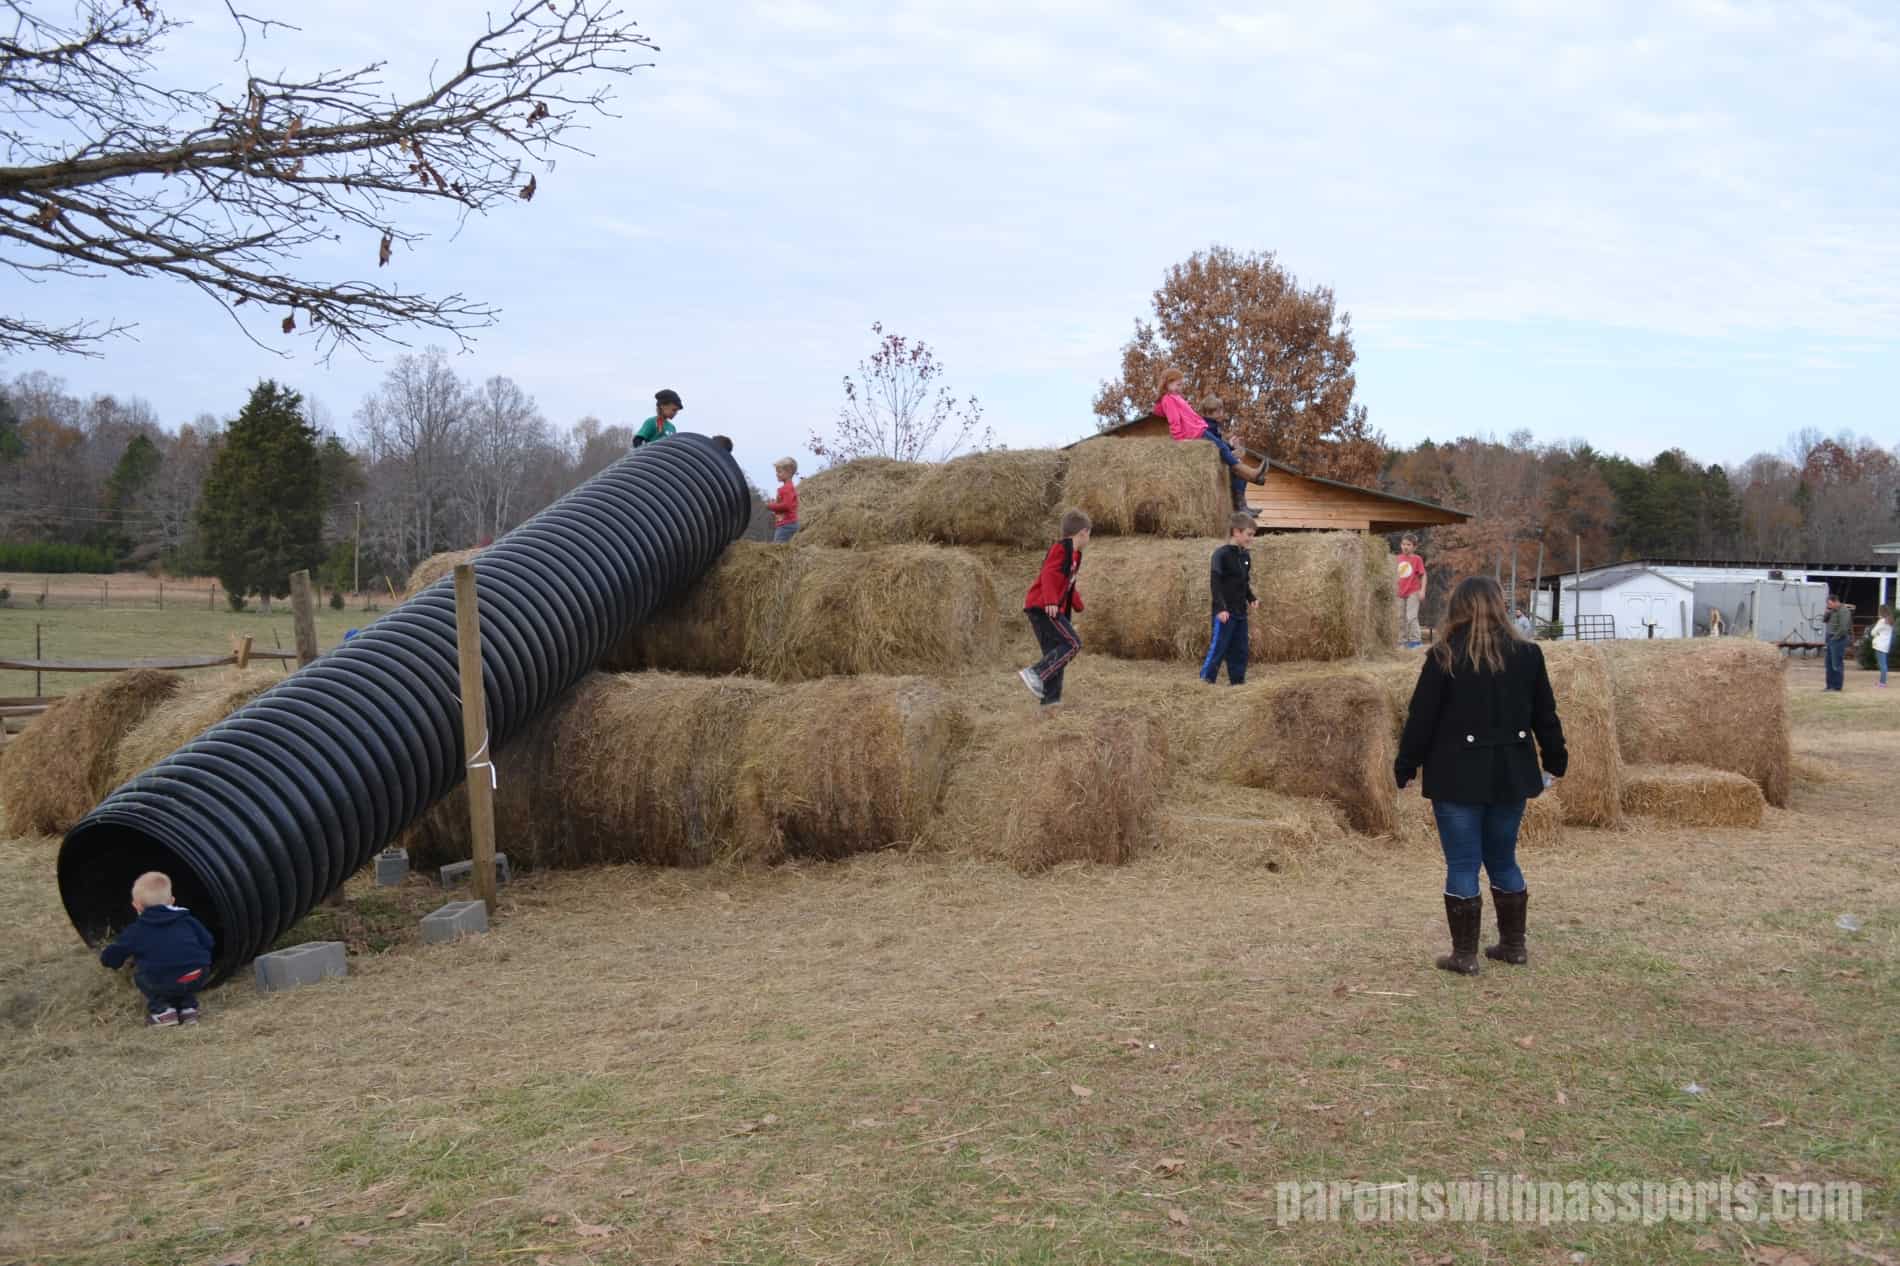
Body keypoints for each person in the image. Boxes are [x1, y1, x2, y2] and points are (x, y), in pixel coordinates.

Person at [1395, 576, 1567, 976]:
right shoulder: (1528, 654)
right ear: (1499, 606)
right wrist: (1556, 760)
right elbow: (1546, 715)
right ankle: (1513, 946)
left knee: (1463, 863)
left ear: (1458, 607)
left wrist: (1406, 765)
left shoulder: (1443, 656)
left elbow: (1421, 719)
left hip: (1456, 775)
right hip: (1510, 774)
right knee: (1503, 859)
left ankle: (1465, 956)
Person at [98, 871, 214, 1026]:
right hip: (197, 975)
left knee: (142, 974)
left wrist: (107, 960)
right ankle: (188, 1008)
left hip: (162, 981)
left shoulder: (136, 930)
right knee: (182, 971)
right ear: (172, 901)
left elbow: (114, 954)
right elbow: (208, 942)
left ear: (136, 905)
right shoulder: (187, 920)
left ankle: (163, 1010)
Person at [1018, 509, 1090, 706]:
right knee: (1073, 644)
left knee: (1056, 654)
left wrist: (1079, 605)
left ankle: (1050, 703)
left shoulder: (1075, 555)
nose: (1088, 540)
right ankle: (1035, 673)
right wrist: (1050, 601)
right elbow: (1048, 573)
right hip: (1043, 607)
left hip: (1046, 607)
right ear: (1083, 532)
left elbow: (1068, 584)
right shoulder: (1061, 548)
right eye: (1089, 535)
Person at [1153, 369, 1248, 512]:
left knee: (1222, 446)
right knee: (1221, 447)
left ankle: (1239, 469)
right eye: (1178, 385)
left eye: (1181, 385)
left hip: (1197, 429)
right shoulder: (1169, 399)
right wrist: (1179, 439)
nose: (1180, 388)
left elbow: (1168, 411)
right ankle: (1239, 468)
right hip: (1195, 432)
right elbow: (1174, 420)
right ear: (1167, 384)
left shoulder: (1175, 397)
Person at [1201, 512, 1258, 685]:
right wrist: (1220, 608)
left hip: (1240, 612)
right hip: (1224, 613)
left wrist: (1251, 598)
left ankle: (1237, 682)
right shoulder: (1221, 555)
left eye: (1253, 535)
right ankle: (1205, 681)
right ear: (1236, 532)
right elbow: (1215, 583)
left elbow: (1244, 582)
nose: (1251, 539)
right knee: (1218, 648)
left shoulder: (1245, 556)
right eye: (1249, 534)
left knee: (1240, 649)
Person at [1196, 394, 1258, 515]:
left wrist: (1231, 445)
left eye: (1221, 410)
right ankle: (1239, 506)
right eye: (1218, 411)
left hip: (1216, 461)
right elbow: (1214, 447)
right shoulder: (1206, 427)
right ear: (1209, 412)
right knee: (1239, 471)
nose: (1221, 413)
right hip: (1209, 465)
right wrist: (1231, 451)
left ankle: (1241, 504)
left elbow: (1220, 444)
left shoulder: (1213, 425)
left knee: (1240, 467)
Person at [1396, 536, 1427, 648]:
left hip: (1413, 592)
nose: (1405, 547)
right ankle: (1402, 641)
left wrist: (1422, 590)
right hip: (1399, 592)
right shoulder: (1397, 558)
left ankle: (1415, 641)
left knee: (1411, 617)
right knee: (1400, 617)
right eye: (1403, 544)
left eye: (1408, 545)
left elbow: (1423, 575)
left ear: (1414, 547)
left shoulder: (1417, 559)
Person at [765, 457, 800, 543]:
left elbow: (786, 506)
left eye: (779, 472)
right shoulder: (788, 488)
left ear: (789, 472)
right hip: (788, 523)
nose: (777, 474)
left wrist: (771, 506)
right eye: (777, 472)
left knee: (778, 547)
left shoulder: (786, 489)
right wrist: (775, 503)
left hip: (786, 525)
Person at [1823, 593, 1852, 692]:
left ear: (1836, 601)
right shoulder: (1832, 610)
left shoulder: (1844, 611)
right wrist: (1827, 612)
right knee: (1828, 663)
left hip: (1838, 639)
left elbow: (1843, 628)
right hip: (1830, 637)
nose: (1829, 606)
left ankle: (1837, 686)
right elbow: (1824, 620)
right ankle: (1829, 685)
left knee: (1836, 663)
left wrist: (1835, 638)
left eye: (1830, 604)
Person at [1871, 605, 1892, 688]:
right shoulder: (1890, 620)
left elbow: (1873, 632)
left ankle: (1882, 683)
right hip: (1885, 644)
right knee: (1883, 664)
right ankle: (1882, 681)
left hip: (1879, 644)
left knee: (1882, 665)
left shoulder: (1882, 621)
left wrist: (1877, 633)